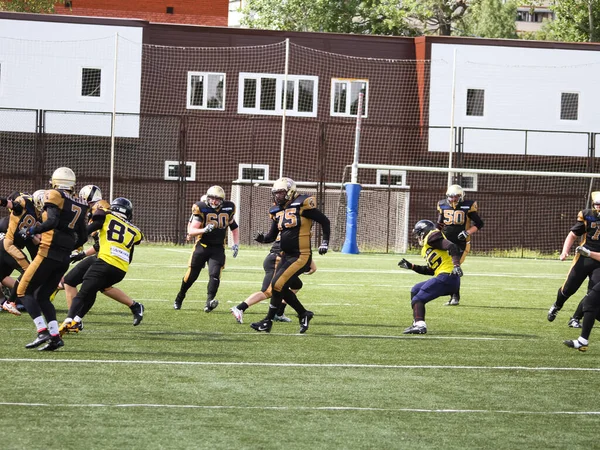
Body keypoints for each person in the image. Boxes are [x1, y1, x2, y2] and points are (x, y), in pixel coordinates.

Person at [17, 167, 89, 351]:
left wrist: (31, 230)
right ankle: (55, 337)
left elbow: (52, 222)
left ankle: (42, 331)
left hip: (48, 252)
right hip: (63, 257)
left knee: (22, 291)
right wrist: (67, 247)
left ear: (56, 182)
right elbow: (82, 237)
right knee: (42, 296)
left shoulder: (55, 195)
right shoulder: (80, 203)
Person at [58, 186, 144, 333]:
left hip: (105, 261)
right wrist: (82, 254)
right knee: (71, 281)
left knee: (88, 289)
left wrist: (74, 240)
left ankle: (72, 320)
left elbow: (93, 230)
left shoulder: (104, 213)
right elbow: (117, 247)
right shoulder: (135, 231)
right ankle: (75, 320)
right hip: (116, 264)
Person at [250, 177, 330, 334]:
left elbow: (325, 221)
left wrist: (325, 242)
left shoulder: (303, 204)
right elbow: (271, 236)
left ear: (290, 191)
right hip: (286, 255)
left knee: (277, 285)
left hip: (301, 255)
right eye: (276, 193)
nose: (277, 196)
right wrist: (261, 238)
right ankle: (303, 314)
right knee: (278, 286)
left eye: (280, 192)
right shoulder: (277, 210)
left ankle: (268, 321)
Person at [174, 186, 239, 312]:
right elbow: (191, 231)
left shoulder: (228, 208)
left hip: (218, 248)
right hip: (202, 246)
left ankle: (209, 302)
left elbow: (234, 227)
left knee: (215, 275)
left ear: (222, 200)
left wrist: (236, 244)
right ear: (207, 198)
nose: (214, 202)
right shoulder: (201, 208)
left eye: (217, 199)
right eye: (212, 199)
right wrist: (204, 229)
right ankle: (180, 297)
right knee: (191, 276)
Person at [230, 235, 317, 324]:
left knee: (296, 285)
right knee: (268, 291)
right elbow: (301, 250)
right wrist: (311, 264)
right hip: (277, 261)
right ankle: (240, 308)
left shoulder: (293, 228)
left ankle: (279, 313)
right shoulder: (299, 230)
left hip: (282, 260)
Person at [397, 219, 463, 334]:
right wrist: (412, 266)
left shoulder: (432, 236)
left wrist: (456, 265)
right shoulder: (427, 247)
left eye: (418, 234)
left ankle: (420, 326)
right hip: (446, 278)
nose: (417, 237)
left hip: (447, 276)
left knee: (418, 299)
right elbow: (431, 270)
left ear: (423, 232)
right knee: (416, 290)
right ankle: (416, 321)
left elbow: (452, 246)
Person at [548, 192, 600, 325]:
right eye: (596, 205)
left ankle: (576, 318)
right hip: (583, 258)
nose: (598, 207)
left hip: (595, 259)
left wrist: (589, 253)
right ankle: (557, 306)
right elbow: (572, 234)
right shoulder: (588, 215)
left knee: (594, 294)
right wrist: (565, 251)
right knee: (569, 288)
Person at [436, 184, 483, 306]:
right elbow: (440, 223)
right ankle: (453, 296)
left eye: (456, 197)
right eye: (451, 197)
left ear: (461, 196)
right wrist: (435, 234)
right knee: (448, 269)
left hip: (461, 243)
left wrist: (467, 232)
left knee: (454, 269)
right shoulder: (442, 204)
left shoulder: (468, 206)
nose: (453, 199)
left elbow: (479, 223)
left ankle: (455, 297)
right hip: (446, 242)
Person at [0, 190, 44, 315]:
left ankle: (12, 300)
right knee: (29, 271)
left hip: (9, 247)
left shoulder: (39, 215)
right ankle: (10, 302)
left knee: (2, 276)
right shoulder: (26, 204)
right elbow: (11, 204)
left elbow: (35, 241)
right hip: (9, 245)